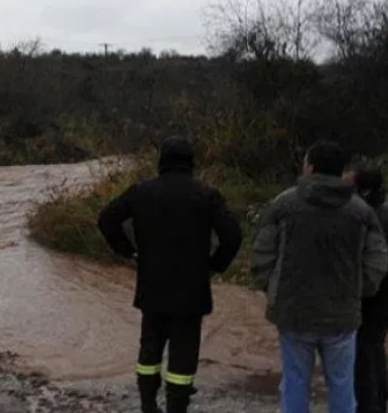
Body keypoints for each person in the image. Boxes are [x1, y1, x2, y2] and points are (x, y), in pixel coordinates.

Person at [98, 137, 242, 413]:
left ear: (161, 161)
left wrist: (128, 252)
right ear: (191, 163)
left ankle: (148, 404)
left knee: (149, 350)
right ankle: (177, 407)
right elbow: (233, 236)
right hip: (192, 290)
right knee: (183, 356)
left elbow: (106, 219)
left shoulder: (141, 191)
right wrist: (214, 265)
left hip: (152, 286)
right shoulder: (207, 194)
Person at [251, 141, 388, 413]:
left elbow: (261, 252)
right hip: (342, 314)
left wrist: (270, 286)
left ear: (310, 168)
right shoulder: (360, 211)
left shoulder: (284, 204)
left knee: (295, 383)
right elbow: (378, 259)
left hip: (294, 311)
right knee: (341, 385)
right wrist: (361, 289)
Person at [351, 168, 388, 413]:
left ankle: (369, 405)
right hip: (383, 294)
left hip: (371, 293)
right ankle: (380, 399)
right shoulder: (382, 210)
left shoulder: (366, 216)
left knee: (365, 352)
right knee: (375, 348)